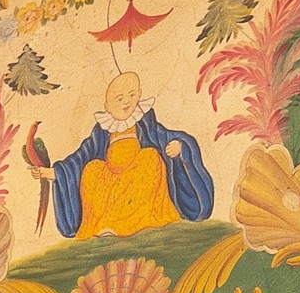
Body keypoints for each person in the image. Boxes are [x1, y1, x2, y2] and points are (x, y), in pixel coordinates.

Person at [48, 71, 218, 239]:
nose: (126, 102)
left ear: (139, 96)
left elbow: (164, 136)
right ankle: (105, 224)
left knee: (150, 157)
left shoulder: (144, 123)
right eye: (119, 99)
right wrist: (58, 172)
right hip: (110, 178)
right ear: (107, 106)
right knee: (92, 169)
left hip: (137, 175)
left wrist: (179, 146)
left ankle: (130, 224)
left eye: (131, 95)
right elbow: (82, 155)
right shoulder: (102, 130)